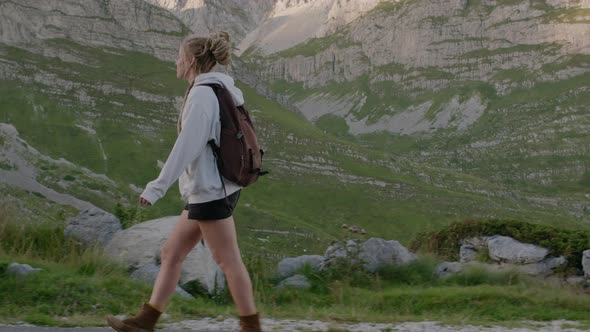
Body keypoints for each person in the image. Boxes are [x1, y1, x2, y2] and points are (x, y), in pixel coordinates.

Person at [105, 31, 262, 332]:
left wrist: (157, 186)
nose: (175, 61)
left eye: (178, 56)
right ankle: (145, 321)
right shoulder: (217, 89)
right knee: (171, 253)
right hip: (213, 189)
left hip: (210, 192)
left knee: (228, 261)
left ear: (190, 61)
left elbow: (187, 146)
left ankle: (251, 327)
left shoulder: (203, 94)